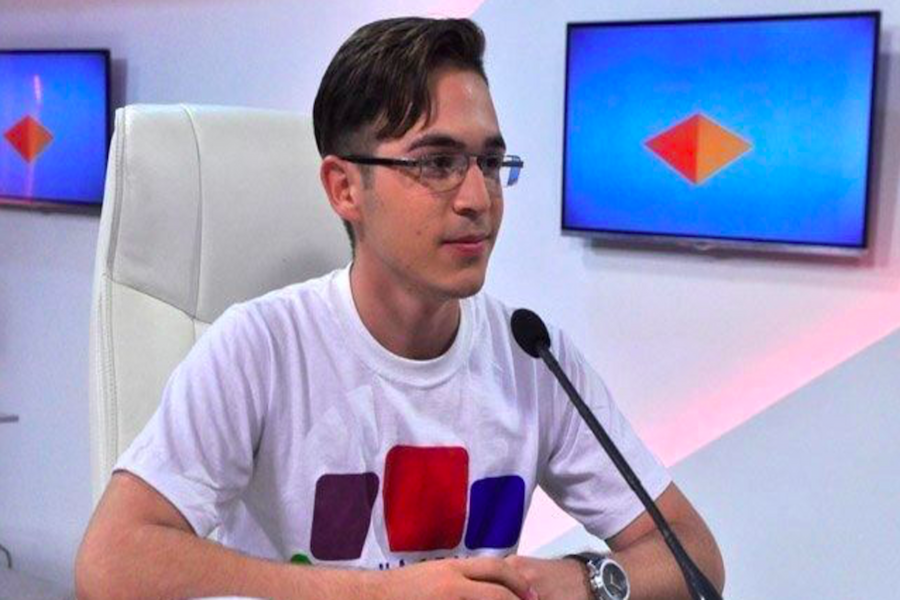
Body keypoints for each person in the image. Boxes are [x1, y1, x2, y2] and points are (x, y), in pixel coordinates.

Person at [75, 17, 724, 600]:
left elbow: (695, 558)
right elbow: (112, 562)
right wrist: (380, 594)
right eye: (437, 163)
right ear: (345, 189)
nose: (478, 198)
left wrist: (575, 583)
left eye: (490, 162)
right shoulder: (261, 346)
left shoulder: (531, 355)